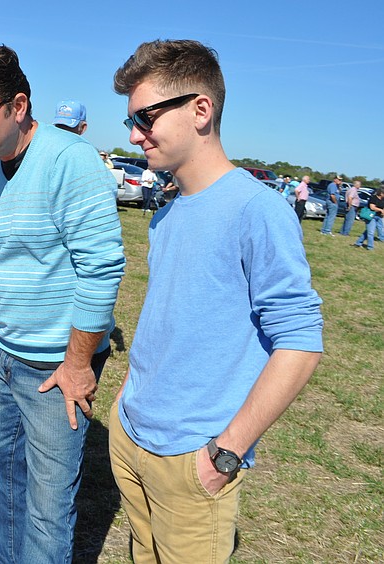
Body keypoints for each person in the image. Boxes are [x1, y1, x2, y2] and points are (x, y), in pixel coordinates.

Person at [110, 39, 323, 563]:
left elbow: (300, 343)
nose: (136, 135)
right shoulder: (167, 209)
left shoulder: (259, 210)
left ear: (200, 110)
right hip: (132, 435)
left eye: (146, 117)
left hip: (193, 458)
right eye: (130, 121)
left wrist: (225, 451)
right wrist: (124, 406)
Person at [0, 43, 125, 563]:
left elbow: (102, 268)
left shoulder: (71, 162)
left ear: (18, 106)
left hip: (54, 370)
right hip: (2, 356)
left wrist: (76, 365)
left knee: (48, 508)